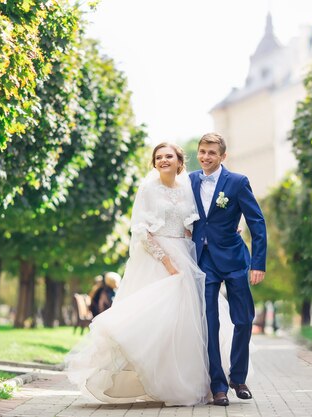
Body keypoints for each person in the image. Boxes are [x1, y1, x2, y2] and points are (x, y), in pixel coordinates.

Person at [65, 143, 213, 406]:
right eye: (159, 157)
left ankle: (176, 383)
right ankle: (151, 379)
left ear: (180, 161)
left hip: (185, 255)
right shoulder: (148, 189)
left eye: (169, 156)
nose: (163, 160)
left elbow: (191, 225)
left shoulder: (187, 188)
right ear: (153, 163)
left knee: (182, 325)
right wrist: (166, 262)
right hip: (157, 260)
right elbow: (142, 230)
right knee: (154, 321)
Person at [189, 132, 267, 407]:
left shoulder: (237, 182)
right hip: (204, 260)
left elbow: (257, 222)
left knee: (244, 319)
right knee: (210, 322)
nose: (206, 157)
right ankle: (218, 386)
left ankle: (238, 377)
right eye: (202, 152)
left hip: (234, 259)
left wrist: (258, 263)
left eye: (212, 153)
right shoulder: (188, 181)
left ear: (223, 157)